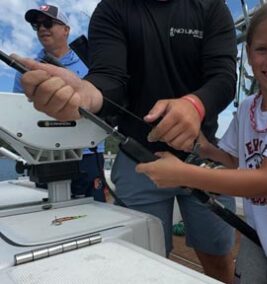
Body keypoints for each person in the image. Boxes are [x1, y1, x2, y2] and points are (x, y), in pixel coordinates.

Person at [17, 0, 237, 282]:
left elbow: (223, 77)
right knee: (143, 264)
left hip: (203, 160)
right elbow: (110, 79)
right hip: (138, 162)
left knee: (219, 260)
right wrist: (84, 95)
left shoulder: (211, 7)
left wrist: (195, 105)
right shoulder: (111, 9)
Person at [136, 0, 267, 283]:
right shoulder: (248, 108)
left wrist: (183, 174)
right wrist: (202, 145)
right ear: (248, 53)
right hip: (260, 237)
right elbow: (234, 160)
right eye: (261, 49)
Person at [13, 4, 107, 202]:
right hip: (46, 153)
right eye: (36, 26)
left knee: (95, 209)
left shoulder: (92, 62)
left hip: (88, 152)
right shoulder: (25, 70)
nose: (42, 28)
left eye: (48, 23)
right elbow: (19, 111)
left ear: (66, 29)